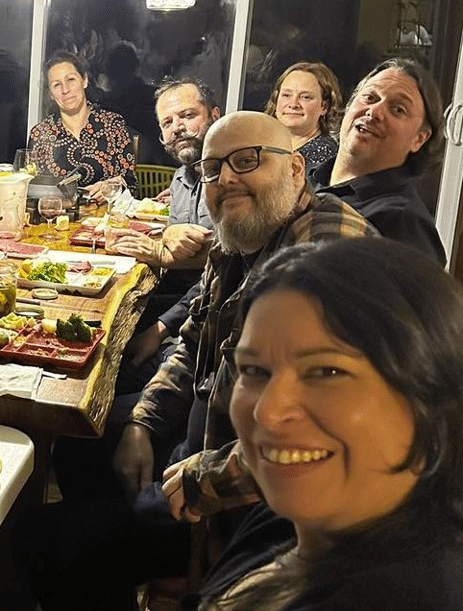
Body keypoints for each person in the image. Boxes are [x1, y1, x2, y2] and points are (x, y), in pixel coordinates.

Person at [17, 112, 375, 611]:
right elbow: (190, 345)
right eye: (212, 169)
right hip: (199, 437)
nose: (226, 177)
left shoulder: (326, 251)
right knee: (79, 446)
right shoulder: (241, 237)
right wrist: (144, 422)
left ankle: (124, 559)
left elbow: (330, 433)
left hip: (247, 505)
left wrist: (201, 479)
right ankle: (114, 571)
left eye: (246, 161)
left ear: (296, 169)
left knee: (44, 540)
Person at [194, 237, 463, 610]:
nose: (267, 411)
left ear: (433, 396)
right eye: (253, 370)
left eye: (326, 371)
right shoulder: (301, 517)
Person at [109, 78, 220, 377]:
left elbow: (219, 271)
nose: (177, 128)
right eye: (167, 122)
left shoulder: (229, 181)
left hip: (205, 323)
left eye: (187, 116)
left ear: (215, 116)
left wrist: (160, 328)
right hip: (175, 302)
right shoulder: (181, 179)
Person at [309, 57, 445, 265]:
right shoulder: (303, 180)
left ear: (419, 139)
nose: (374, 111)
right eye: (370, 98)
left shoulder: (403, 223)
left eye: (398, 109)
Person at [28, 51, 137, 202]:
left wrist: (112, 188)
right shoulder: (41, 134)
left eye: (71, 80)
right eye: (56, 85)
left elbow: (131, 184)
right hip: (59, 221)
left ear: (84, 80)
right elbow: (32, 191)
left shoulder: (113, 124)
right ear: (51, 94)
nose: (65, 90)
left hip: (106, 219)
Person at [264, 62, 341, 169]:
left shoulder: (325, 158)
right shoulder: (262, 142)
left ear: (324, 107)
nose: (293, 104)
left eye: (305, 97)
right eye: (286, 95)